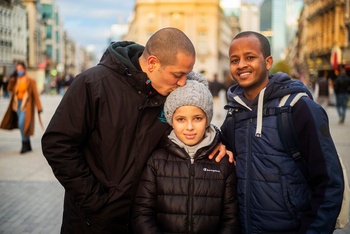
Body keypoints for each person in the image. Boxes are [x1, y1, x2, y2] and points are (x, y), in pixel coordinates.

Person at [41, 27, 231, 234]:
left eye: (187, 74)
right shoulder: (93, 84)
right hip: (90, 222)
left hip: (141, 222)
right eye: (178, 74)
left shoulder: (171, 91)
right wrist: (95, 201)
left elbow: (193, 120)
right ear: (152, 63)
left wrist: (213, 141)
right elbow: (57, 144)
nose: (183, 82)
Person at [221, 31, 344, 233]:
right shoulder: (234, 113)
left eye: (250, 57)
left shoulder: (299, 108)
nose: (241, 64)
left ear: (268, 62)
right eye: (235, 60)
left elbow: (330, 183)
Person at [132, 72, 240, 234]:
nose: (189, 127)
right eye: (181, 119)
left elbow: (231, 219)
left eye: (197, 118)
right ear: (171, 120)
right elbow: (142, 214)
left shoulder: (223, 162)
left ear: (208, 119)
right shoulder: (157, 160)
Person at [0, 62, 43, 154]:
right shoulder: (16, 80)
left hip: (26, 105)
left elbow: (35, 94)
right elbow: (9, 89)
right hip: (17, 104)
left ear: (24, 69)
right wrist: (12, 80)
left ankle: (24, 144)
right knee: (23, 125)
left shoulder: (30, 80)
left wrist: (39, 107)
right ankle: (27, 144)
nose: (19, 71)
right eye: (17, 70)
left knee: (21, 123)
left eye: (20, 69)